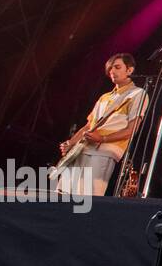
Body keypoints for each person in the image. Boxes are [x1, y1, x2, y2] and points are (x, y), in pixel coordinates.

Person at [55, 53, 148, 197]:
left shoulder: (138, 94)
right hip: (82, 148)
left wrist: (102, 139)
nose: (112, 71)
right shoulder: (104, 97)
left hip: (105, 152)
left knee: (88, 198)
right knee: (62, 194)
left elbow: (132, 129)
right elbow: (88, 126)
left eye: (117, 67)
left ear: (130, 70)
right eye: (110, 68)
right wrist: (71, 143)